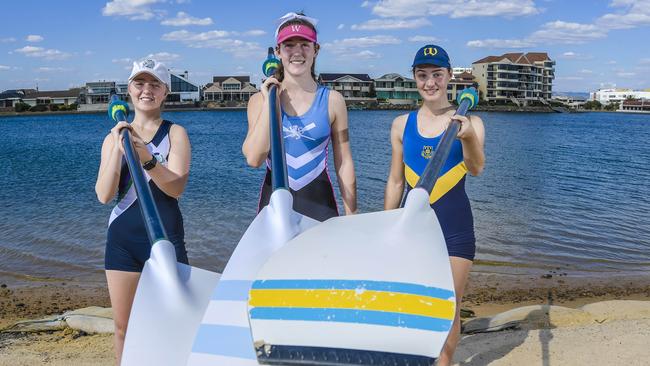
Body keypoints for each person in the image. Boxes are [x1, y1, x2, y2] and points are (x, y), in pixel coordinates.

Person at [383, 45, 485, 366]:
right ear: (414, 78)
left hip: (455, 229)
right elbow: (396, 181)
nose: (430, 82)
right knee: (412, 304)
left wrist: (467, 137)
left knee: (448, 306)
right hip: (414, 229)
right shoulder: (401, 124)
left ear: (449, 77)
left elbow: (477, 168)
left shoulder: (470, 123)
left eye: (437, 75)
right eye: (423, 75)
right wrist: (386, 228)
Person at [95, 59, 191, 364]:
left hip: (166, 237)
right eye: (140, 83)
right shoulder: (114, 137)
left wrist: (146, 156)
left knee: (174, 324)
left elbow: (175, 188)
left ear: (165, 92)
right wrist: (118, 149)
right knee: (124, 327)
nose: (146, 90)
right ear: (130, 90)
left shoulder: (176, 134)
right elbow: (104, 195)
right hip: (123, 240)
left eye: (154, 84)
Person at [243, 12, 357, 221]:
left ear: (316, 49)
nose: (297, 52)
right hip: (274, 208)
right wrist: (271, 102)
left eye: (305, 44)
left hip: (320, 204)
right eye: (289, 45)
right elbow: (253, 158)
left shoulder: (333, 101)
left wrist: (352, 215)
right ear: (278, 51)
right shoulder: (259, 101)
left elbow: (344, 161)